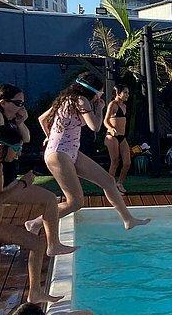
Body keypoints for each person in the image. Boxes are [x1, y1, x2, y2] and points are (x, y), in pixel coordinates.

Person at [37, 72, 149, 231]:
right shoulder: (81, 100)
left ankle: (128, 220)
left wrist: (50, 137)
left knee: (108, 182)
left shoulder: (67, 99)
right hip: (59, 155)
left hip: (70, 152)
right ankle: (35, 223)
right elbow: (95, 126)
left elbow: (42, 119)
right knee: (75, 202)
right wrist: (99, 108)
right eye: (100, 92)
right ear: (93, 91)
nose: (101, 96)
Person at [0, 84, 75, 257]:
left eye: (23, 103)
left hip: (8, 178)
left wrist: (20, 121)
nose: (22, 107)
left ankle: (3, 246)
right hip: (2, 180)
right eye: (18, 103)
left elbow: (26, 138)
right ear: (3, 102)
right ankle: (53, 245)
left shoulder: (9, 120)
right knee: (49, 199)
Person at [0, 126, 66, 304]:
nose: (18, 153)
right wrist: (22, 183)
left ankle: (35, 293)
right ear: (1, 147)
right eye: (16, 148)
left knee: (37, 244)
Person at [104, 85, 131, 194]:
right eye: (125, 92)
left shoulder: (124, 106)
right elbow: (105, 121)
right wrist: (111, 128)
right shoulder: (113, 104)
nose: (127, 95)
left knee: (127, 163)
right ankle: (110, 188)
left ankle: (119, 183)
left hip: (122, 137)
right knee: (115, 161)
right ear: (118, 93)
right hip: (112, 136)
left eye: (128, 93)